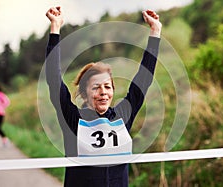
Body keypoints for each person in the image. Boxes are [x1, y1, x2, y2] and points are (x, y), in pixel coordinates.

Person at [45, 6, 162, 187]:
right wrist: (55, 28)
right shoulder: (72, 118)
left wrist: (155, 31)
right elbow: (53, 79)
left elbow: (144, 79)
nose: (103, 92)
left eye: (107, 87)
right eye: (96, 88)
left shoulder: (122, 115)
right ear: (84, 93)